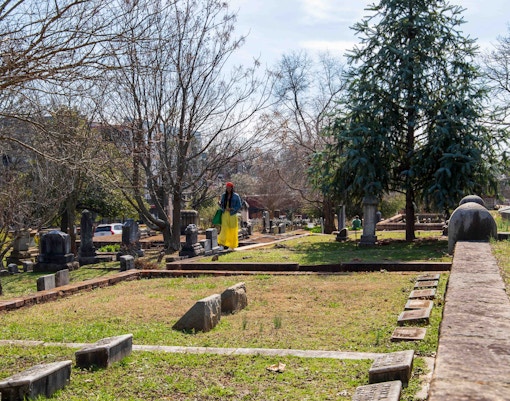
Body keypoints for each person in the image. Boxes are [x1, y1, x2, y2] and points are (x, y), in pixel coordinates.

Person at [218, 182, 242, 249]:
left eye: (229, 188)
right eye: (227, 188)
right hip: (225, 214)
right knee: (224, 229)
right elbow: (221, 205)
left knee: (232, 229)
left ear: (232, 188)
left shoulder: (236, 196)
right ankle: (222, 244)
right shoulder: (223, 195)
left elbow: (239, 205)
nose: (228, 189)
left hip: (233, 215)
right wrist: (219, 204)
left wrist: (233, 209)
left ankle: (232, 245)